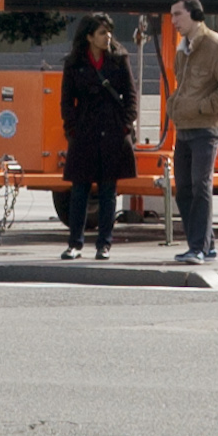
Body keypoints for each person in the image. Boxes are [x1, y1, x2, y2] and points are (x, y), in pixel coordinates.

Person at [164, 0, 218, 264]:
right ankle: (204, 246)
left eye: (178, 14)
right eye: (172, 15)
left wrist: (205, 107)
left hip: (206, 127)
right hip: (184, 125)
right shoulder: (183, 47)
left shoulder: (217, 46)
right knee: (185, 188)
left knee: (200, 185)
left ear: (194, 14)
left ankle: (197, 248)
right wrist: (174, 105)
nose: (174, 21)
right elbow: (182, 82)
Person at [54, 17, 139, 261]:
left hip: (112, 130)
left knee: (108, 191)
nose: (108, 37)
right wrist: (71, 129)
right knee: (79, 190)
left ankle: (104, 244)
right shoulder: (74, 64)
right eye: (102, 33)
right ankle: (75, 243)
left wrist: (124, 125)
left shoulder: (119, 59)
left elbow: (131, 95)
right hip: (84, 132)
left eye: (109, 32)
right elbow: (66, 101)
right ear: (89, 36)